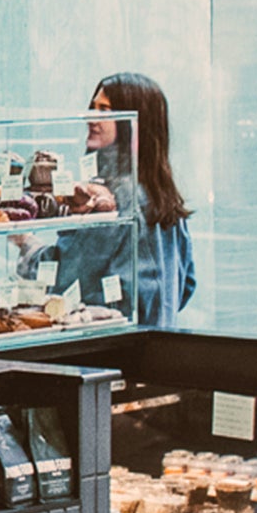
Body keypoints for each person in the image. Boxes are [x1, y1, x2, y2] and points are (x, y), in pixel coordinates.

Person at [87, 72, 196, 327]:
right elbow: (187, 282)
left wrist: (26, 243)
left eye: (106, 110)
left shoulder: (116, 195)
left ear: (134, 123)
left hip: (113, 346)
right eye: (93, 107)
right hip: (156, 339)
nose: (92, 118)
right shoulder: (160, 192)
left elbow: (72, 274)